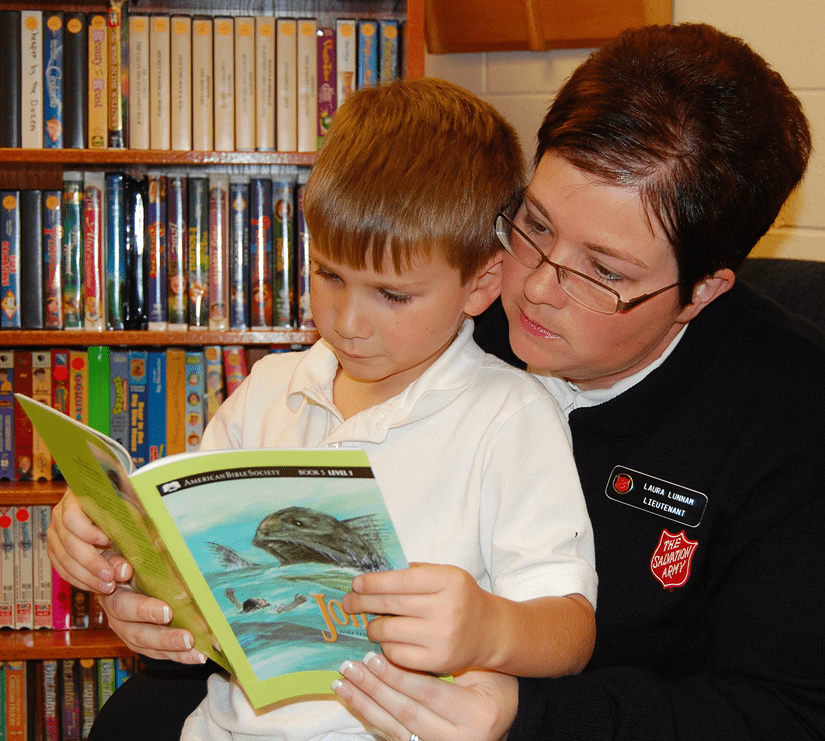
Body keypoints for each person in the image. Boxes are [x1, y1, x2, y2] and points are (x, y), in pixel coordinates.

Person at [48, 78, 598, 741]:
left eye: (392, 295)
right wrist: (114, 562)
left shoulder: (510, 414)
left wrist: (490, 624)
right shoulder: (271, 386)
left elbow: (570, 628)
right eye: (328, 275)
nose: (347, 321)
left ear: (480, 283)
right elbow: (188, 559)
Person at [328, 22, 825, 741]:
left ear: (702, 291)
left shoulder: (796, 421)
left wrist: (525, 718)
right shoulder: (464, 301)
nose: (533, 288)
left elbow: (783, 712)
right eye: (533, 223)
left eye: (603, 272)